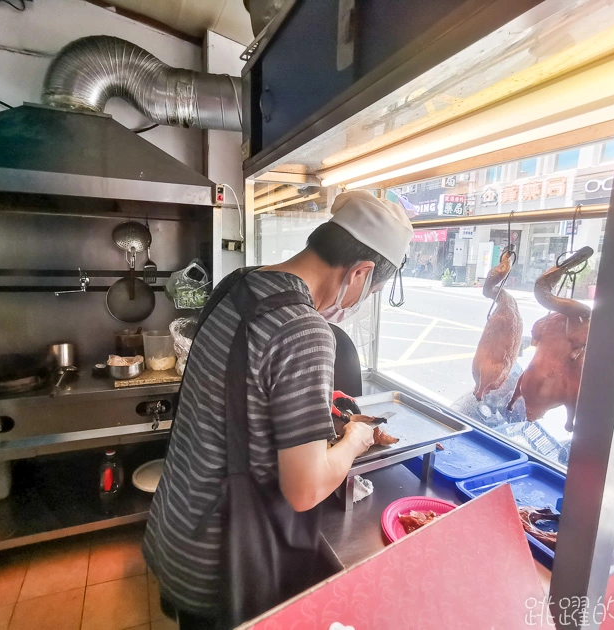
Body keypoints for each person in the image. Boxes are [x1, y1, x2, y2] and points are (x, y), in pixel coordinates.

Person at [143, 190, 413, 629]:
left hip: (179, 520)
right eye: (372, 290)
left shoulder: (242, 283)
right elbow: (304, 490)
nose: (360, 302)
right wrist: (355, 439)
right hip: (225, 559)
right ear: (360, 272)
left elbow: (241, 400)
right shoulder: (303, 328)